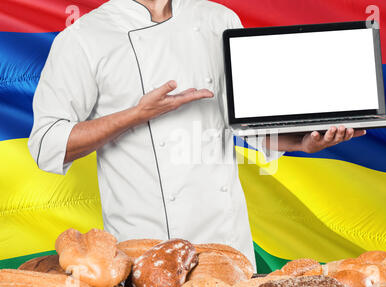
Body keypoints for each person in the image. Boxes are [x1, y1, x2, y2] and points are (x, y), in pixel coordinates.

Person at [28, 0, 366, 268]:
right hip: (144, 248)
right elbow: (47, 144)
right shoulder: (84, 38)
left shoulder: (219, 19)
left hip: (226, 241)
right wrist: (136, 115)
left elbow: (244, 124)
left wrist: (302, 141)